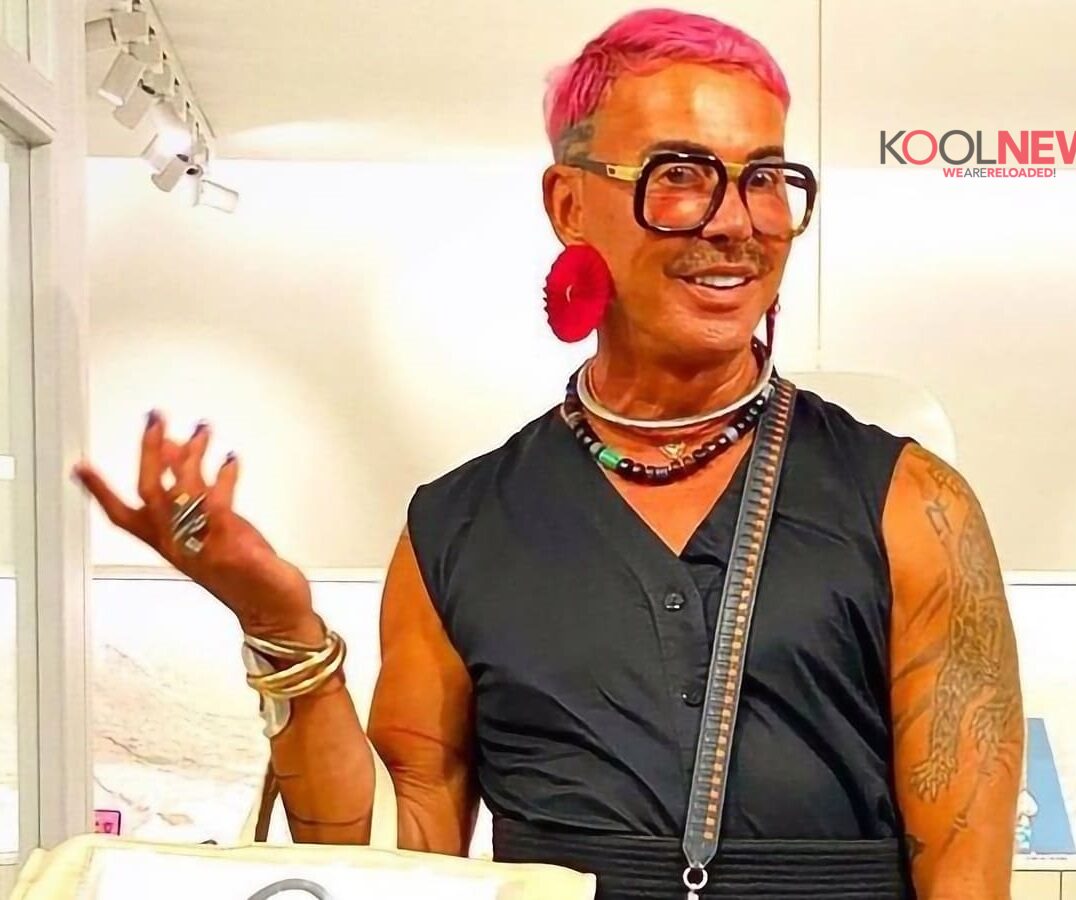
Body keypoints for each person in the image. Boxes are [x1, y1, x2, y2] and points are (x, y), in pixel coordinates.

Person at [73, 9, 1023, 899]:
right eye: (680, 174)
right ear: (568, 203)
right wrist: (284, 630)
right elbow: (398, 861)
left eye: (765, 178)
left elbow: (967, 874)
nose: (736, 222)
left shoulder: (912, 505)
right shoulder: (458, 528)